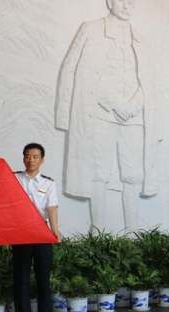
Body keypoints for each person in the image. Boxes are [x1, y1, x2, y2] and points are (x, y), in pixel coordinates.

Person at [55, 0, 161, 231]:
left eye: (132, 1)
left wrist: (133, 106)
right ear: (109, 2)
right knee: (99, 172)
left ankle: (132, 229)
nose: (127, 5)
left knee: (132, 173)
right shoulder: (90, 29)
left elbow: (150, 82)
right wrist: (64, 114)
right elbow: (74, 69)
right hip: (100, 114)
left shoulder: (141, 37)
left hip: (134, 117)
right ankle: (98, 228)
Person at [12, 143, 61, 312]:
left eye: (35, 156)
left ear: (42, 160)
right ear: (23, 158)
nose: (30, 160)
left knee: (43, 276)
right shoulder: (14, 179)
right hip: (20, 231)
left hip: (42, 231)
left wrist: (55, 231)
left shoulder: (48, 183)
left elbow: (52, 207)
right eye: (27, 156)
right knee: (21, 277)